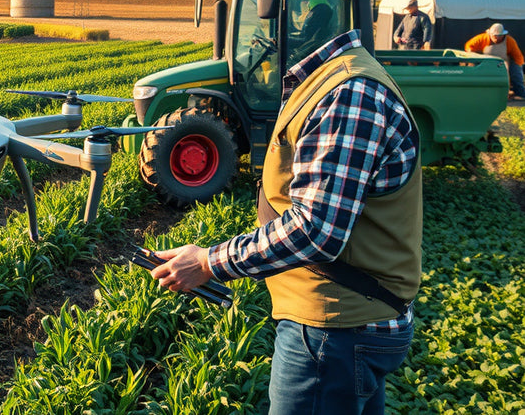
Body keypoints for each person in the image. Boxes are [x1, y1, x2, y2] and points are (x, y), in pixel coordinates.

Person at [148, 28, 422, 415]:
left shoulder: (347, 93)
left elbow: (316, 228)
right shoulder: (336, 79)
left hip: (334, 329)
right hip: (344, 319)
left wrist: (209, 262)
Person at [465, 23, 525, 100]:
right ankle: (473, 92)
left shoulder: (510, 41)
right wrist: (474, 57)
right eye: (495, 36)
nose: (497, 38)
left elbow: (518, 56)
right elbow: (469, 46)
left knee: (516, 73)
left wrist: (517, 67)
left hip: (504, 62)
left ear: (503, 35)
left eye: (499, 35)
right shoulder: (482, 38)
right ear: (490, 34)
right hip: (486, 61)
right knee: (473, 69)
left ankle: (520, 94)